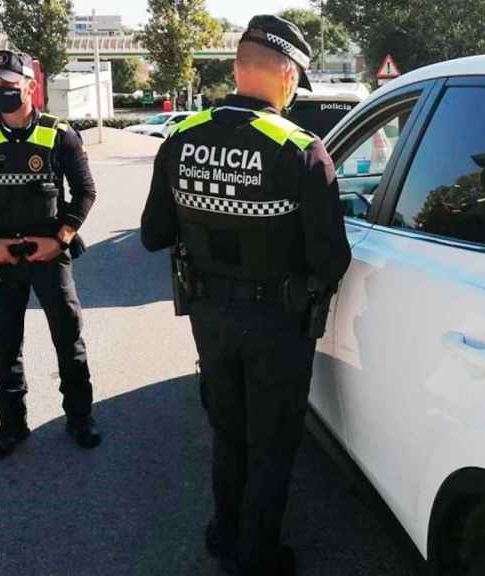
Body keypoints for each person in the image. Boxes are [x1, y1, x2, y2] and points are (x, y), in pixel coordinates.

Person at [140, 15, 351, 576]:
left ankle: (223, 531)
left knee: (228, 428)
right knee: (273, 439)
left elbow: (154, 235)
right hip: (278, 322)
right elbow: (332, 259)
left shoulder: (181, 138)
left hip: (209, 314)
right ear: (286, 76)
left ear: (237, 69)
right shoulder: (300, 149)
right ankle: (259, 553)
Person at [0, 50, 101, 460]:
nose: (0, 93)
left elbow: (85, 192)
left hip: (50, 256)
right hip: (2, 260)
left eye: (8, 86)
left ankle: (80, 418)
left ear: (31, 87)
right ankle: (12, 426)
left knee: (68, 340)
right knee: (5, 343)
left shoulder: (60, 135)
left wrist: (62, 236)